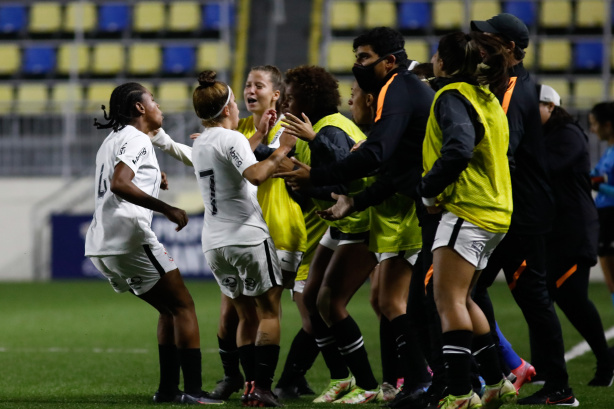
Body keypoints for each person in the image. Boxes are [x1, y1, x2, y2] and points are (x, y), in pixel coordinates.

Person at [84, 82, 222, 405]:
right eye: (154, 100)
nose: (159, 106)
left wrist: (152, 174)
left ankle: (169, 390)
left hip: (101, 244)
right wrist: (167, 208)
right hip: (129, 238)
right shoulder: (136, 138)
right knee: (184, 305)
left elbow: (114, 178)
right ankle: (193, 392)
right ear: (140, 108)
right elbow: (120, 183)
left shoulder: (112, 140)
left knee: (168, 309)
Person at [470, 13, 578, 406]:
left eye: (488, 39)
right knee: (470, 289)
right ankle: (509, 371)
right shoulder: (509, 84)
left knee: (482, 291)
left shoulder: (515, 87)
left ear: (509, 48)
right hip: (518, 207)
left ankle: (545, 383)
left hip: (521, 210)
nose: (480, 44)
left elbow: (504, 150)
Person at [420, 31, 516, 409]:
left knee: (446, 300)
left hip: (468, 209)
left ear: (444, 61)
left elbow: (458, 148)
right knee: (464, 298)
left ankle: (460, 394)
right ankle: (495, 382)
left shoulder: (451, 96)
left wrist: (428, 189)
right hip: (495, 211)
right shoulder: (487, 97)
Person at [191, 70, 296, 407]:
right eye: (235, 101)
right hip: (247, 237)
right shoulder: (231, 137)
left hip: (214, 243)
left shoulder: (202, 142)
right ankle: (263, 389)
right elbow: (255, 174)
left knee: (244, 316)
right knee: (268, 313)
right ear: (227, 109)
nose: (239, 107)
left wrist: (260, 137)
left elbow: (234, 160)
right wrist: (281, 150)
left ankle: (251, 385)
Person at [278, 65, 382, 404]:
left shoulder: (332, 130)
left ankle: (366, 384)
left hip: (361, 221)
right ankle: (342, 378)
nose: (284, 105)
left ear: (306, 100)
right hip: (339, 224)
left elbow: (342, 182)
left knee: (329, 303)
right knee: (310, 300)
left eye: (289, 98)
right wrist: (296, 180)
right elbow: (317, 189)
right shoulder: (316, 130)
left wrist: (308, 178)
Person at [539, 86, 614, 387]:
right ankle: (597, 361)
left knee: (574, 297)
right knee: (563, 297)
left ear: (550, 106)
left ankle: (604, 361)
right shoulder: (551, 136)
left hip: (577, 227)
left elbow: (548, 169)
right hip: (564, 227)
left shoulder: (567, 134)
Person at [589, 102, 614, 318]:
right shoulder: (609, 151)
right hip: (605, 216)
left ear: (608, 125)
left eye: (595, 124)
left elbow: (598, 181)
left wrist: (599, 185)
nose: (593, 129)